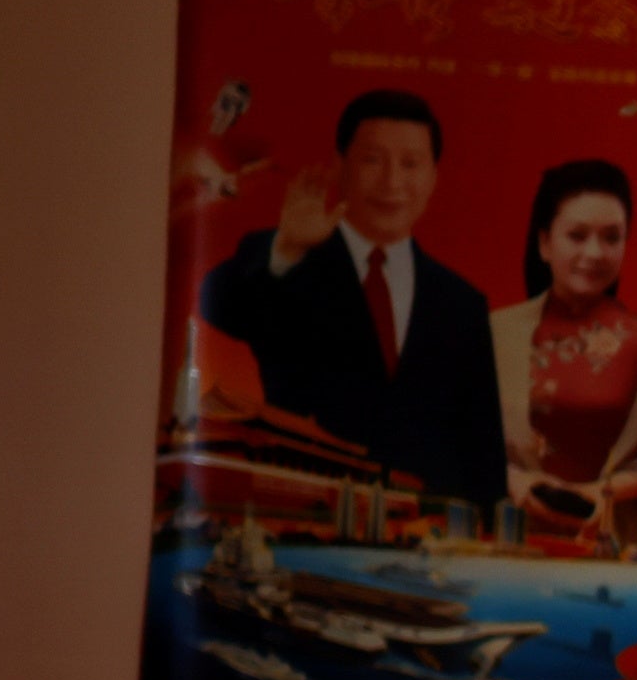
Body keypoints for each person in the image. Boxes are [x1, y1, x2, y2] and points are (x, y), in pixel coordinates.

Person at [195, 88, 512, 506]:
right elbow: (216, 305)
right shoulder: (288, 257)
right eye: (372, 160)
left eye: (411, 164)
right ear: (340, 166)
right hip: (303, 509)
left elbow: (483, 455)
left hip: (426, 535)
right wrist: (288, 248)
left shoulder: (462, 302)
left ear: (434, 175)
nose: (392, 181)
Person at [491, 158, 637, 550]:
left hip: (603, 545)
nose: (595, 253)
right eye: (577, 235)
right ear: (545, 243)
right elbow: (458, 439)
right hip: (500, 535)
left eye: (612, 237)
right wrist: (515, 482)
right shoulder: (495, 333)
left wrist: (605, 492)